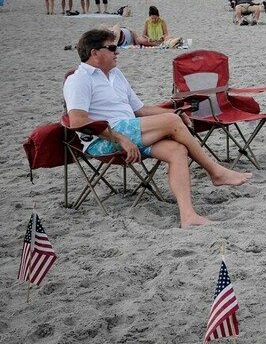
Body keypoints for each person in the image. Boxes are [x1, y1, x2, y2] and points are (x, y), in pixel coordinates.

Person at [64, 28, 252, 227]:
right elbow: (77, 121)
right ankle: (216, 172)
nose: (117, 51)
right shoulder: (79, 79)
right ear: (94, 53)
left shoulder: (115, 74)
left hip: (132, 131)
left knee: (177, 150)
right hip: (105, 140)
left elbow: (140, 110)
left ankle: (188, 216)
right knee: (171, 121)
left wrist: (175, 113)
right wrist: (121, 138)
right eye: (112, 48)